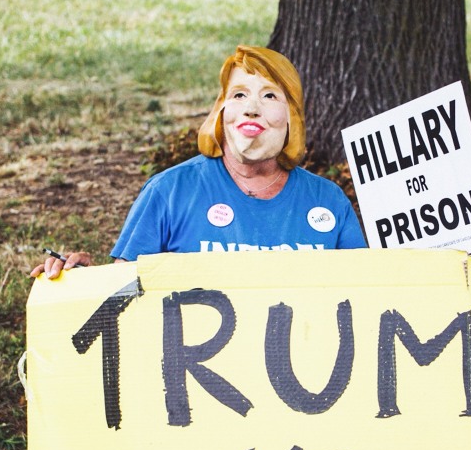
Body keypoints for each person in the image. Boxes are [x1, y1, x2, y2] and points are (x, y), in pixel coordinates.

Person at [32, 45, 366, 279]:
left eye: (269, 95)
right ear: (221, 110)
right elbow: (125, 295)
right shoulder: (170, 191)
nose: (252, 108)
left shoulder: (327, 200)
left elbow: (365, 294)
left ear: (292, 115)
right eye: (239, 95)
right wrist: (81, 280)